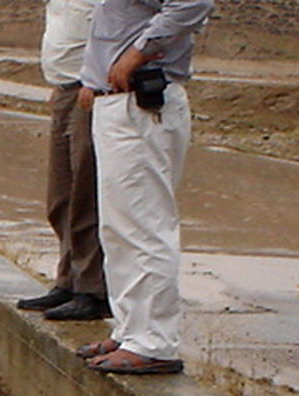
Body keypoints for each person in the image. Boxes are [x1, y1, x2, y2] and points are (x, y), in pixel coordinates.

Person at [75, 0, 213, 374]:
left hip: (140, 102)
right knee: (119, 226)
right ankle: (131, 330)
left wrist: (136, 54)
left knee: (144, 225)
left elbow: (193, 3)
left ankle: (152, 341)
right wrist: (94, 78)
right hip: (119, 104)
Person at [16, 0, 110, 321]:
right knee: (62, 198)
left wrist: (95, 81)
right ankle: (68, 281)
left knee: (86, 193)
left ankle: (93, 290)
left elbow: (116, 32)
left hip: (91, 89)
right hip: (66, 89)